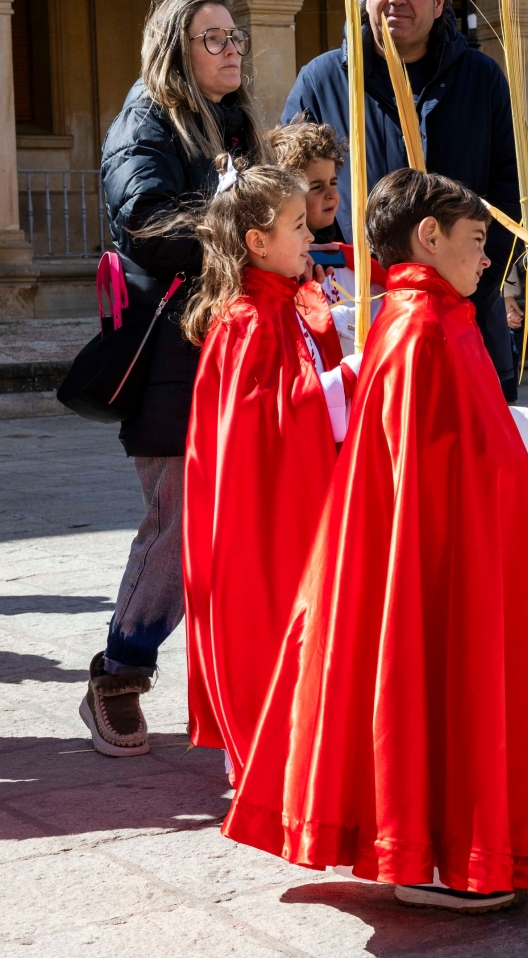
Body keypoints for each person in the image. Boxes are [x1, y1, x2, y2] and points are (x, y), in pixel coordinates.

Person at [222, 169, 528, 914]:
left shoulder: (434, 314)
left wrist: (515, 427)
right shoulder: (422, 324)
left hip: (450, 551)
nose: (487, 259)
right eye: (477, 241)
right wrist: (514, 439)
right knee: (433, 685)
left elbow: (457, 440)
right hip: (434, 564)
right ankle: (435, 850)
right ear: (429, 236)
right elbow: (440, 463)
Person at [80, 0, 272, 757]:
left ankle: (248, 683)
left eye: (236, 38)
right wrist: (239, 230)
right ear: (179, 48)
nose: (233, 51)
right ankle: (117, 673)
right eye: (216, 39)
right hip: (170, 355)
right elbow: (142, 217)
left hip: (238, 350)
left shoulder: (232, 123)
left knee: (250, 520)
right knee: (178, 524)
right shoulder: (146, 118)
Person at [282, 0, 521, 401]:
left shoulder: (483, 78)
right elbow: (290, 193)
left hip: (466, 316)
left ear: (438, 4)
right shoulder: (321, 79)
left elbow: (512, 190)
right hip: (359, 320)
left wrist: (471, 280)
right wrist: (339, 283)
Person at [181, 158, 359, 776]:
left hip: (284, 506)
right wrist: (361, 375)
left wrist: (337, 327)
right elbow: (277, 417)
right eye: (296, 225)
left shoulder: (278, 303)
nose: (311, 233)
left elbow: (301, 371)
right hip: (260, 522)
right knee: (269, 623)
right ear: (258, 243)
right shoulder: (247, 320)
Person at [267, 119, 387, 354]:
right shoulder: (278, 267)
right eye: (317, 187)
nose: (332, 194)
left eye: (333, 183)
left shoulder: (344, 254)